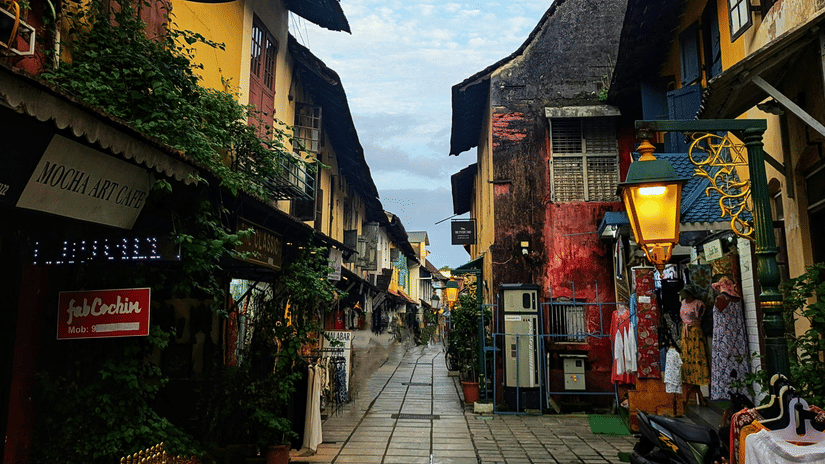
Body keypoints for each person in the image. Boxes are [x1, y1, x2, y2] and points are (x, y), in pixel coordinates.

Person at [710, 275, 750, 401]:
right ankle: (741, 393)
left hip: (724, 340)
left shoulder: (721, 299)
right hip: (738, 339)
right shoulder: (737, 299)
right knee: (739, 367)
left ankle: (727, 396)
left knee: (726, 368)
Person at [679, 286, 710, 406]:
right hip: (685, 333)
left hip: (695, 332)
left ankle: (699, 381)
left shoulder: (699, 304)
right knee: (687, 358)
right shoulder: (683, 302)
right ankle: (690, 380)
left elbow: (700, 316)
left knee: (697, 356)